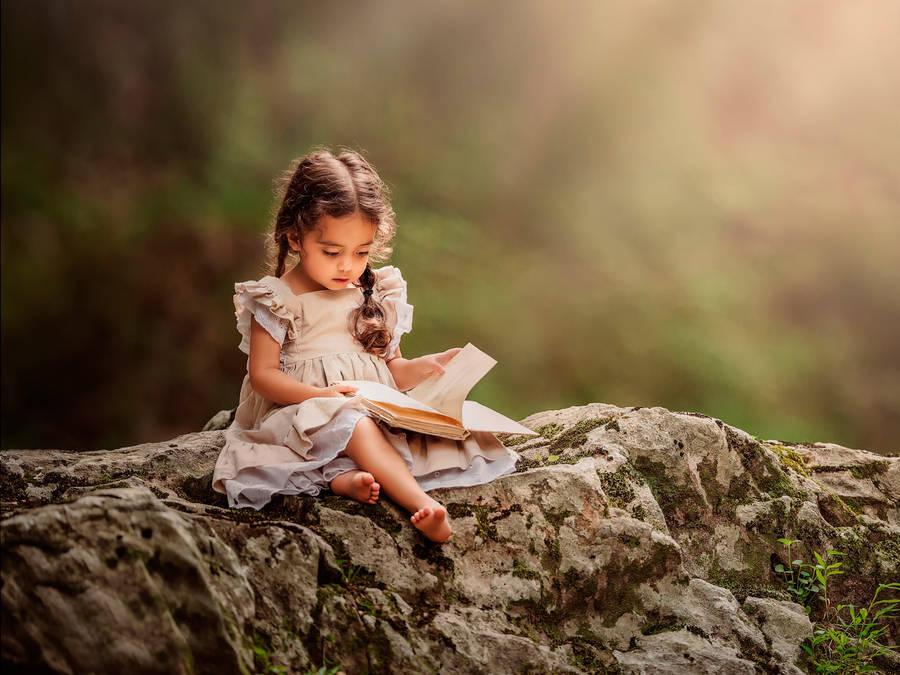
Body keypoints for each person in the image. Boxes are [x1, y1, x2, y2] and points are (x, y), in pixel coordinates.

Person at [212, 149, 519, 542]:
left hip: (372, 414)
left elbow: (391, 370)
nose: (347, 266)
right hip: (301, 416)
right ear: (295, 237)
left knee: (430, 428)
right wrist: (320, 395)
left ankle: (346, 479)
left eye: (361, 252)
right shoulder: (276, 299)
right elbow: (263, 376)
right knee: (349, 422)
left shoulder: (374, 291)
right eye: (332, 252)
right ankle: (419, 502)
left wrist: (427, 367)